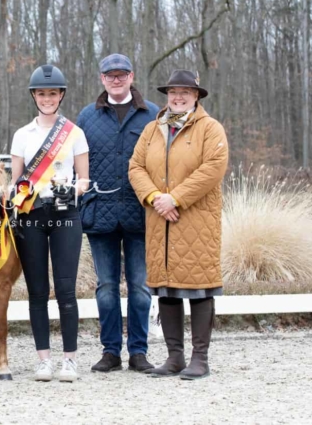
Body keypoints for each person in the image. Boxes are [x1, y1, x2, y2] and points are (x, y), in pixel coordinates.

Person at [129, 69, 229, 380]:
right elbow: (136, 166)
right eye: (173, 91)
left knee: (199, 288)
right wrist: (155, 197)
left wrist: (175, 198)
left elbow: (213, 168)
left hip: (195, 220)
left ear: (197, 95)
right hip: (160, 221)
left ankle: (200, 359)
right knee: (166, 290)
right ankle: (174, 357)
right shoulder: (152, 129)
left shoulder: (210, 129)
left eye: (185, 91)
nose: (178, 96)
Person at [76, 53, 159, 373]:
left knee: (140, 286)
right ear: (101, 78)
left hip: (141, 214)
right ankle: (110, 350)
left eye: (122, 74)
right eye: (110, 75)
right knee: (106, 286)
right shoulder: (87, 117)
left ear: (131, 76)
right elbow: (76, 164)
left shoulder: (152, 114)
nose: (116, 79)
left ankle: (138, 351)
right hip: (101, 214)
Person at [10, 64, 89, 382]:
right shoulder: (22, 136)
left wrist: (69, 189)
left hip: (64, 213)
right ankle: (43, 359)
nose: (46, 98)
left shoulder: (74, 133)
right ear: (34, 96)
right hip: (31, 216)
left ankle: (69, 359)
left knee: (66, 290)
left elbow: (85, 179)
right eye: (41, 93)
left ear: (61, 96)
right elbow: (16, 182)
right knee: (37, 291)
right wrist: (18, 193)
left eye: (52, 93)